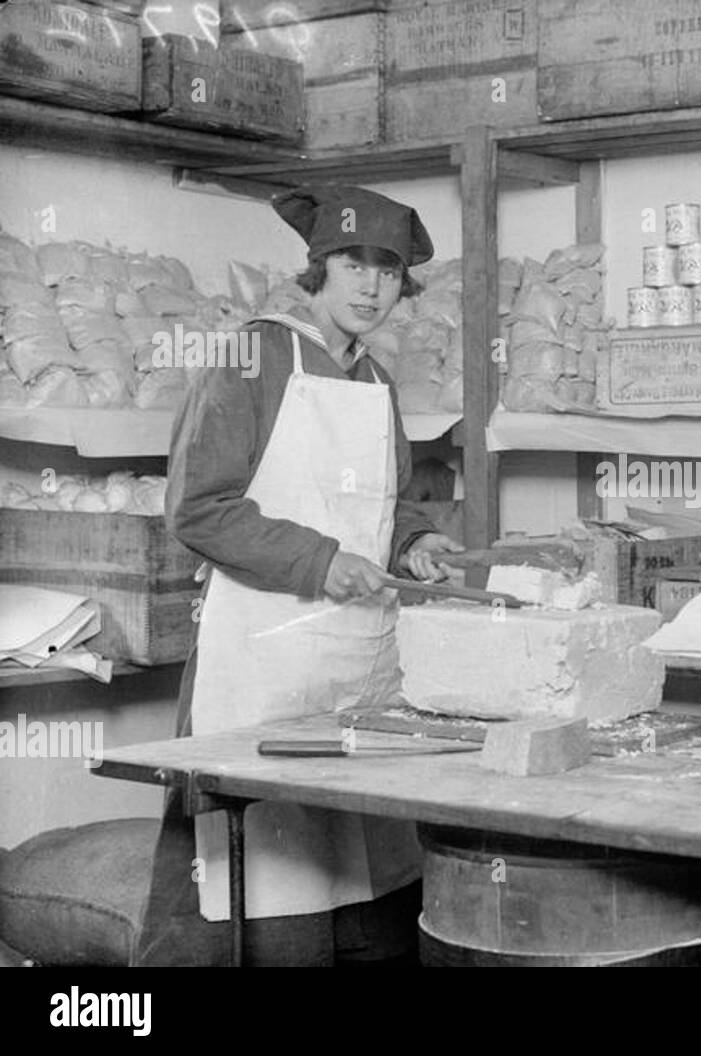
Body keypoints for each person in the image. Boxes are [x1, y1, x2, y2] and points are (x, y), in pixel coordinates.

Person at [135, 186, 463, 965]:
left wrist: (413, 546)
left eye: (387, 269)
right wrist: (320, 562)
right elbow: (199, 509)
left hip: (353, 668)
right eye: (354, 263)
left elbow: (389, 508)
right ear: (318, 267)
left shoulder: (378, 383)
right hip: (263, 663)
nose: (370, 286)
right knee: (261, 881)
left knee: (363, 874)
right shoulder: (251, 356)